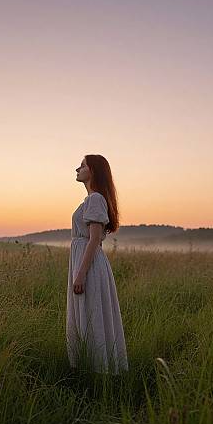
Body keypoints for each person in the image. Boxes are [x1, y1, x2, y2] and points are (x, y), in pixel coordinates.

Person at [66, 154, 128, 374]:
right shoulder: (92, 199)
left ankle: (96, 371)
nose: (77, 169)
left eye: (82, 165)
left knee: (91, 314)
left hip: (88, 264)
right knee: (89, 314)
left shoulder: (95, 199)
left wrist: (81, 273)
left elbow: (93, 239)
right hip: (86, 260)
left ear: (93, 170)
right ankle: (92, 369)